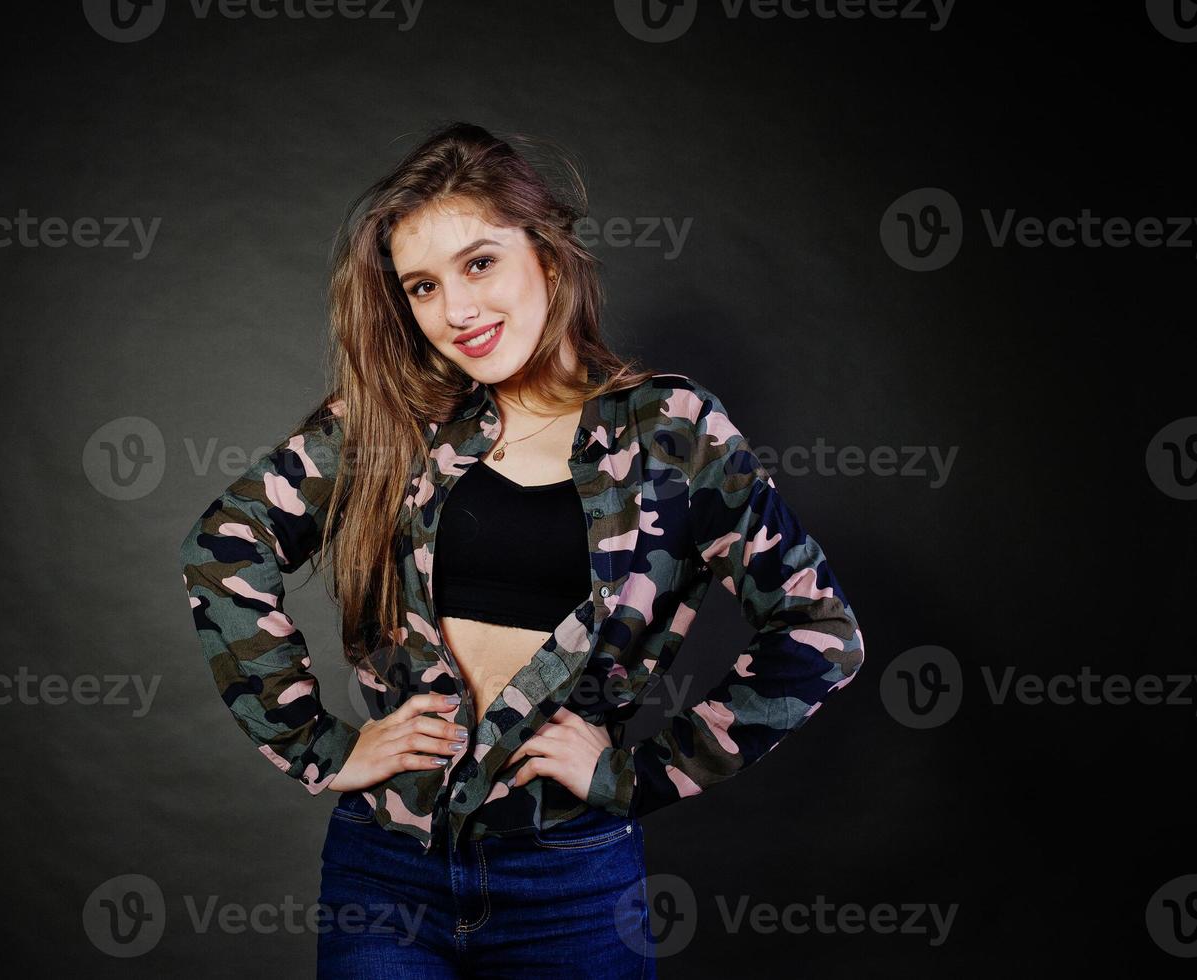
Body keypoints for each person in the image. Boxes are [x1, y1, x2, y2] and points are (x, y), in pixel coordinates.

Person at [178, 121, 866, 978]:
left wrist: (639, 774)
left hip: (571, 881)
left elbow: (817, 632)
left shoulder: (670, 433)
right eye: (421, 287)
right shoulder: (391, 424)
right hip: (385, 877)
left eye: (478, 263)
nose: (455, 311)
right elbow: (225, 543)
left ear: (544, 255)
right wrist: (323, 745)